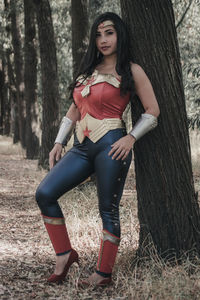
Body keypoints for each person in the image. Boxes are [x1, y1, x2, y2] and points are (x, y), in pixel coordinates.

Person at [35, 12, 160, 286]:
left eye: (109, 33)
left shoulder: (131, 70)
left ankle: (103, 274)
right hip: (80, 148)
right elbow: (73, 111)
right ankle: (65, 255)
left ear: (120, 35)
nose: (103, 40)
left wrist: (130, 138)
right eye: (98, 34)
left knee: (108, 209)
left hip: (111, 147)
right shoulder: (87, 72)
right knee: (45, 193)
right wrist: (58, 141)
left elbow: (152, 111)